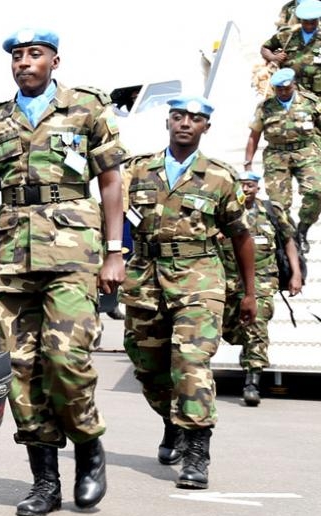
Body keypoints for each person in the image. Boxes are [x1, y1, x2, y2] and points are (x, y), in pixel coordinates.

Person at [0, 28, 126, 516]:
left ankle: (89, 446)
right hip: (12, 256)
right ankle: (44, 481)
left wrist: (115, 252)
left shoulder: (87, 108)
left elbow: (112, 181)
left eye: (35, 54)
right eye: (17, 55)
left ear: (56, 60)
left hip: (73, 252)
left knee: (66, 360)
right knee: (18, 370)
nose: (24, 62)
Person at [122, 96, 256, 490]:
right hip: (145, 275)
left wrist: (248, 294)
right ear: (168, 122)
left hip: (199, 277)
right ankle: (171, 420)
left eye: (195, 119)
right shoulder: (137, 170)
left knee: (191, 360)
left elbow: (240, 236)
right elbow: (110, 216)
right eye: (178, 117)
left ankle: (197, 451)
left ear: (205, 128)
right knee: (147, 365)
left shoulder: (220, 176)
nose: (185, 124)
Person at [218, 171, 302, 406]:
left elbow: (288, 241)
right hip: (229, 279)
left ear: (258, 188)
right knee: (228, 328)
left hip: (264, 279)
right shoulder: (226, 211)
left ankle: (252, 381)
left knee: (256, 324)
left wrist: (295, 274)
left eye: (250, 185)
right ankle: (246, 351)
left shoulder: (272, 211)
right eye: (242, 186)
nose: (246, 190)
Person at [243, 67, 321, 254]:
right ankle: (291, 237)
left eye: (287, 88)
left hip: (306, 151)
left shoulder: (310, 102)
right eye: (279, 89)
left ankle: (303, 229)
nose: (283, 92)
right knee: (278, 204)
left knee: (317, 192)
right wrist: (248, 162)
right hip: (276, 155)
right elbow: (254, 135)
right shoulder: (265, 107)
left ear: (294, 84)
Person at [261, 0, 321, 96]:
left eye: (313, 22)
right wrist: (273, 57)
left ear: (318, 20)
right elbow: (265, 48)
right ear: (300, 20)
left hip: (316, 94)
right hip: (290, 91)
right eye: (306, 22)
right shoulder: (288, 34)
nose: (309, 26)